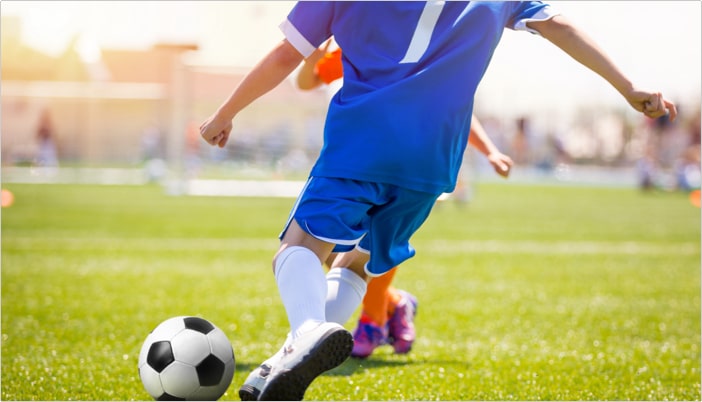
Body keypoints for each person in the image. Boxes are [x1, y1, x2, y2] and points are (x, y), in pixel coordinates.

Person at [199, 2, 676, 400]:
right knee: (357, 263)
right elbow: (558, 24)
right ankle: (290, 357)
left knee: (299, 248)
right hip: (432, 163)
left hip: (365, 141)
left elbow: (289, 57)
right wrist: (628, 87)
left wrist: (225, 112)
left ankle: (304, 332)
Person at [296, 41, 514, 359]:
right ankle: (396, 304)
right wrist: (311, 59)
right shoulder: (368, 38)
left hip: (411, 164)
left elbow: (454, 105)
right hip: (355, 157)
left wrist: (490, 151)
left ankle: (373, 321)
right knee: (334, 251)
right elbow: (309, 80)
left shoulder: (430, 45)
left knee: (378, 240)